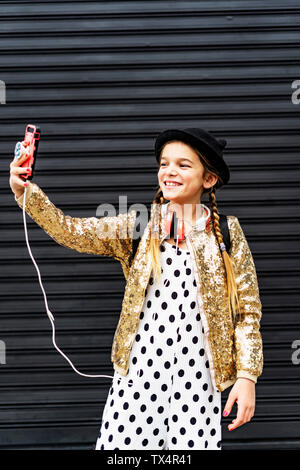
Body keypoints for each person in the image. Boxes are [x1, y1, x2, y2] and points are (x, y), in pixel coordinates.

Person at [9, 128, 263, 450]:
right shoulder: (139, 225)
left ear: (208, 179)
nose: (170, 171)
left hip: (198, 378)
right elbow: (72, 231)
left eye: (184, 165)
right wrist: (25, 193)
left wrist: (247, 376)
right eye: (164, 163)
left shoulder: (226, 233)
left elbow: (246, 311)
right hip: (139, 374)